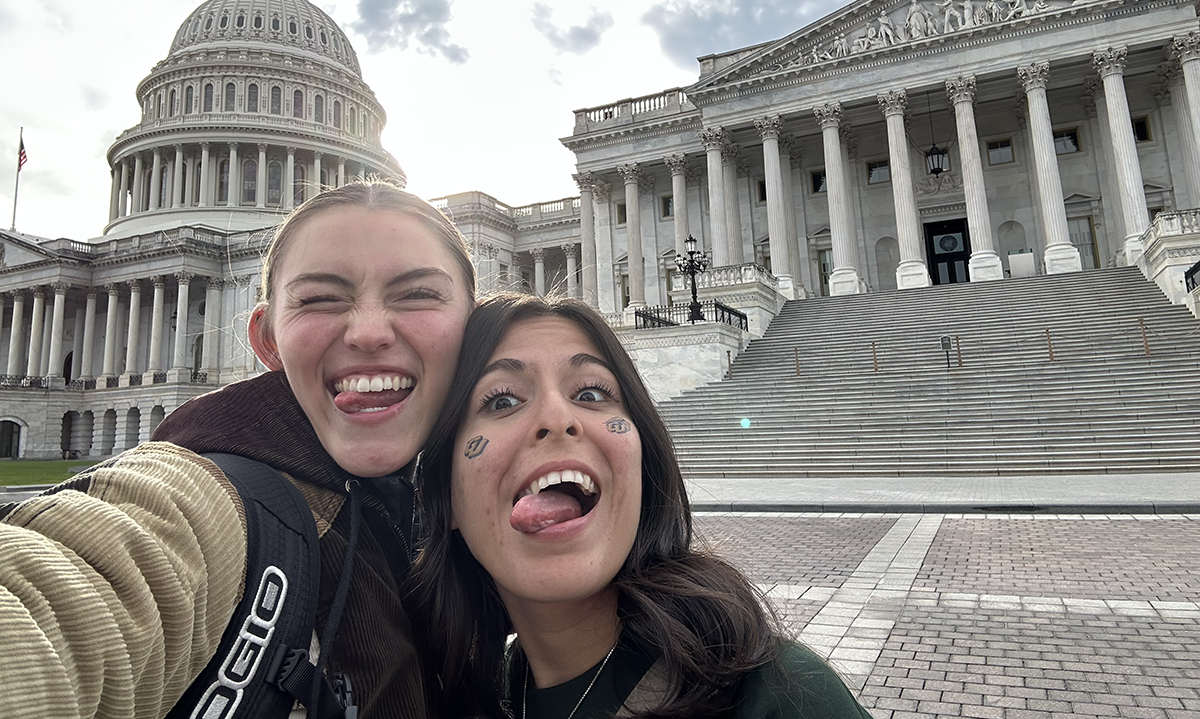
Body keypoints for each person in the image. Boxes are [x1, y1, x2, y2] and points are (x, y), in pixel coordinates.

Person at [0, 180, 475, 719]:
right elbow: (73, 592)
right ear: (267, 339)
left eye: (417, 294)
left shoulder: (479, 505)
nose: (368, 333)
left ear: (473, 326)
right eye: (320, 298)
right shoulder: (211, 497)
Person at [408, 294, 873, 719]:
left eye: (591, 393)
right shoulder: (467, 694)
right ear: (446, 497)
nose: (557, 418)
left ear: (642, 465)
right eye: (502, 399)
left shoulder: (780, 697)